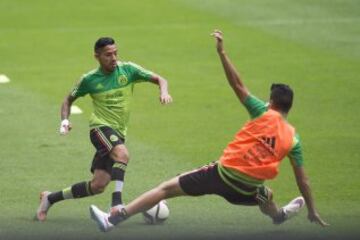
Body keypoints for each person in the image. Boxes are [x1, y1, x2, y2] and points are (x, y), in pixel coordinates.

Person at [89, 30, 328, 232]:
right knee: (266, 194)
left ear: (272, 102)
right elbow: (303, 180)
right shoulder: (294, 140)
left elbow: (237, 85)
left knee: (165, 189)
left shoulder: (261, 111)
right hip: (246, 188)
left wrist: (222, 53)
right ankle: (279, 216)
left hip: (221, 175)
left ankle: (113, 219)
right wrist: (313, 210)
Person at [35, 37, 173, 221]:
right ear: (97, 56)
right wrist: (64, 121)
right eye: (108, 54)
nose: (114, 57)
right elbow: (68, 100)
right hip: (100, 128)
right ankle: (117, 204)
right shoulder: (89, 80)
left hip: (118, 133)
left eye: (115, 53)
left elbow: (160, 79)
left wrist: (163, 91)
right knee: (122, 154)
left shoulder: (128, 70)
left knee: (98, 185)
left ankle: (49, 198)